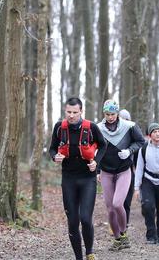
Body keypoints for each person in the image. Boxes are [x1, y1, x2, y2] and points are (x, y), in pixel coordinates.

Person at [49, 97, 106, 260]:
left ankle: (89, 252)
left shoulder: (91, 127)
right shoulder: (59, 127)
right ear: (65, 111)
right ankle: (78, 257)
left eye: (75, 112)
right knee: (72, 221)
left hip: (88, 179)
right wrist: (55, 157)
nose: (71, 115)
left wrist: (96, 162)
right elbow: (52, 148)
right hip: (68, 179)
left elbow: (103, 145)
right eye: (69, 112)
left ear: (81, 111)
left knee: (86, 219)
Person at [96, 100, 145, 251]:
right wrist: (97, 170)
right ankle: (118, 239)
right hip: (106, 171)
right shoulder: (98, 128)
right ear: (104, 113)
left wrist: (129, 151)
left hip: (124, 170)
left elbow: (140, 141)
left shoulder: (129, 126)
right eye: (107, 114)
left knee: (118, 204)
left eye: (112, 114)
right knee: (110, 208)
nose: (110, 117)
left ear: (117, 113)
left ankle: (123, 234)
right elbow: (95, 149)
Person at [118, 109, 135, 224]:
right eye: (122, 119)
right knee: (115, 201)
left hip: (129, 171)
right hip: (112, 172)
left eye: (126, 120)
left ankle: (125, 225)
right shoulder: (110, 134)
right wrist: (99, 171)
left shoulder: (134, 135)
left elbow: (140, 155)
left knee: (127, 201)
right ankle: (114, 223)